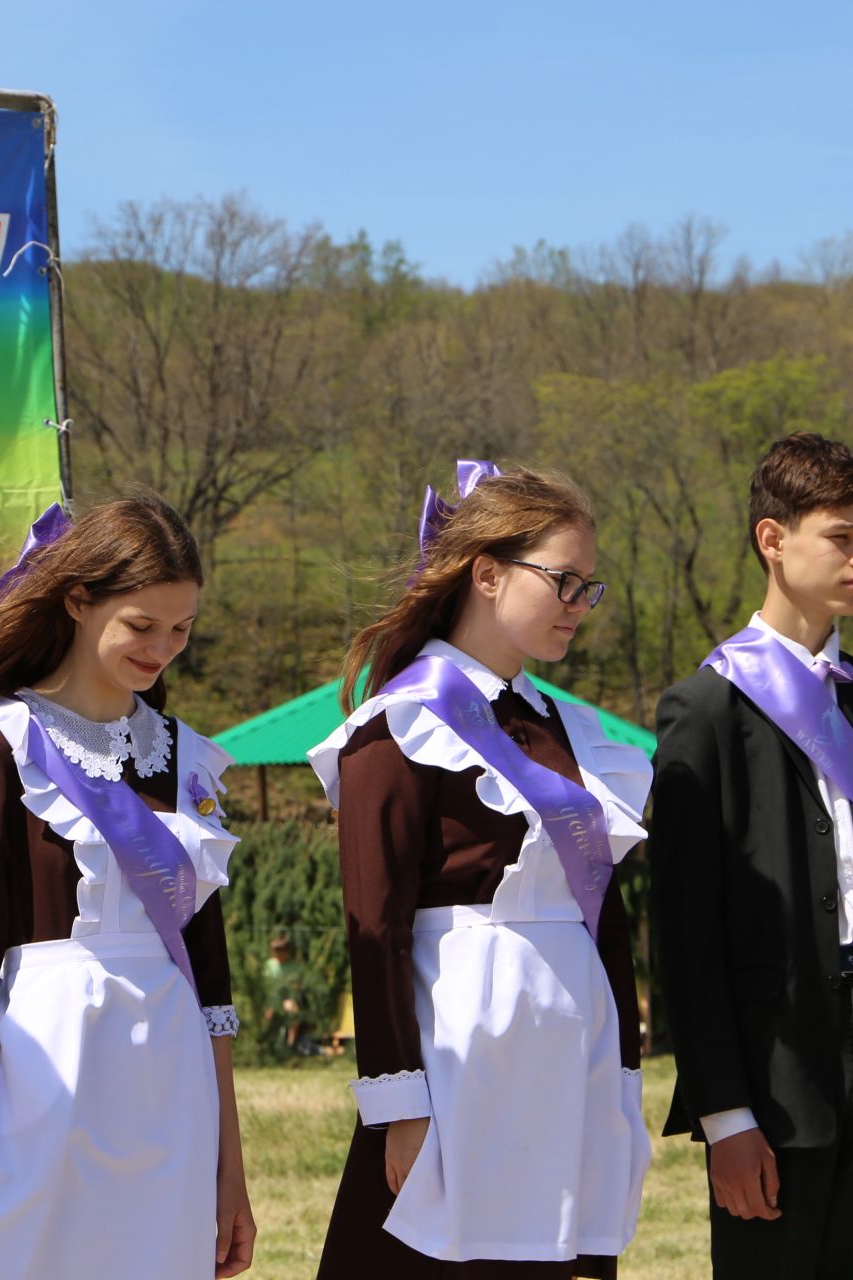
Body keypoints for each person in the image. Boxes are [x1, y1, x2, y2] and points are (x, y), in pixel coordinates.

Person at [310, 461, 651, 1277]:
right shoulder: (397, 726)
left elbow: (605, 912)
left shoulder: (570, 728)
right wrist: (398, 1102)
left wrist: (622, 1067)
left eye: (589, 588)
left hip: (568, 1059)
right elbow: (376, 931)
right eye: (564, 582)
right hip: (459, 1055)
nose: (579, 606)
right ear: (488, 574)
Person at [649, 433, 853, 1279]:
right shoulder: (704, 709)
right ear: (772, 540)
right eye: (841, 537)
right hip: (772, 1076)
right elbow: (684, 938)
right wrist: (724, 1114)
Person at [0, 497, 255, 1279]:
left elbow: (212, 987)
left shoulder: (186, 758)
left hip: (169, 1091)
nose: (162, 648)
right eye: (142, 625)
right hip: (44, 1082)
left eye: (181, 630)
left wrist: (228, 1169)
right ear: (77, 599)